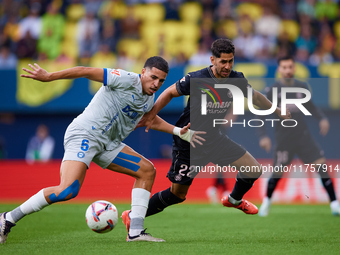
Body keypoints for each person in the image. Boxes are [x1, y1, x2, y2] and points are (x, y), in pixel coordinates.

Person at [0, 56, 206, 244]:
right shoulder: (126, 79)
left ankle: (135, 232)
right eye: (153, 77)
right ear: (143, 72)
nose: (156, 84)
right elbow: (84, 70)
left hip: (108, 144)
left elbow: (150, 120)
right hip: (85, 135)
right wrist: (49, 76)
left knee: (147, 170)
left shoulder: (149, 99)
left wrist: (181, 132)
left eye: (161, 81)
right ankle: (8, 218)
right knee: (67, 190)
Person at [121, 38, 291, 232]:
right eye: (223, 62)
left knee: (253, 170)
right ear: (213, 59)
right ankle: (132, 216)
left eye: (231, 61)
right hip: (189, 140)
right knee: (177, 195)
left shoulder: (236, 79)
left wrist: (277, 110)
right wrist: (151, 115)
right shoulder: (197, 78)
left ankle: (234, 199)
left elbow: (255, 97)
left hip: (215, 139)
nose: (227, 66)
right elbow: (169, 92)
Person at [257, 56, 340, 216]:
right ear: (279, 70)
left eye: (290, 67)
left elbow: (311, 106)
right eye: (284, 67)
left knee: (321, 166)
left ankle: (335, 204)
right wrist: (263, 136)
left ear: (294, 68)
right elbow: (261, 114)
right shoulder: (272, 91)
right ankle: (266, 202)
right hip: (284, 139)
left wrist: (322, 118)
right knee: (277, 173)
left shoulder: (302, 87)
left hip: (303, 136)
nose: (288, 70)